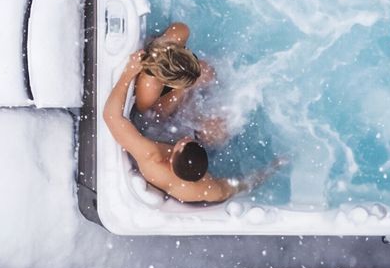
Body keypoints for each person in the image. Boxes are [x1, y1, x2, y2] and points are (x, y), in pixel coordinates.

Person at [102, 47, 284, 206]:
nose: (185, 139)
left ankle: (184, 87)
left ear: (172, 157)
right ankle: (187, 87)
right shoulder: (203, 189)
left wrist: (129, 72)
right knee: (218, 128)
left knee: (173, 117)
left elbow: (111, 116)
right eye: (191, 141)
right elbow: (239, 185)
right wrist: (272, 168)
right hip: (171, 144)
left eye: (184, 143)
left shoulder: (151, 156)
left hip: (151, 129)